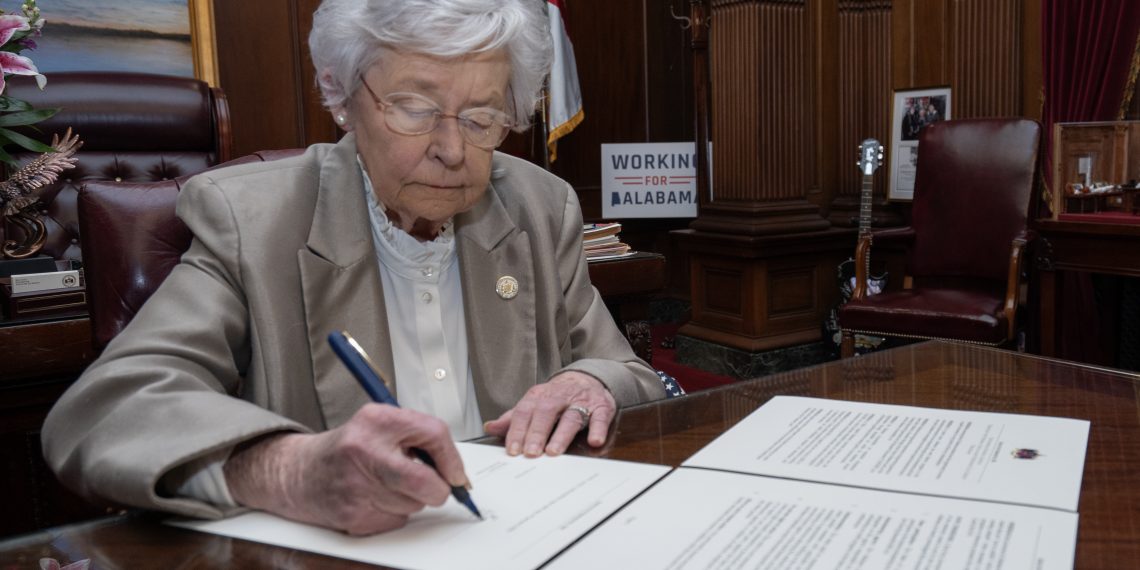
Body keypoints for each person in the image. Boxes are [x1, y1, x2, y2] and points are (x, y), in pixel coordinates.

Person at [41, 0, 665, 536]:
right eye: (415, 108)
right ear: (342, 99)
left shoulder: (539, 204)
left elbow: (627, 371)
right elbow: (103, 412)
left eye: (481, 117)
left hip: (525, 535)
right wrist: (286, 468)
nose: (452, 150)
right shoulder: (252, 221)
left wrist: (593, 385)